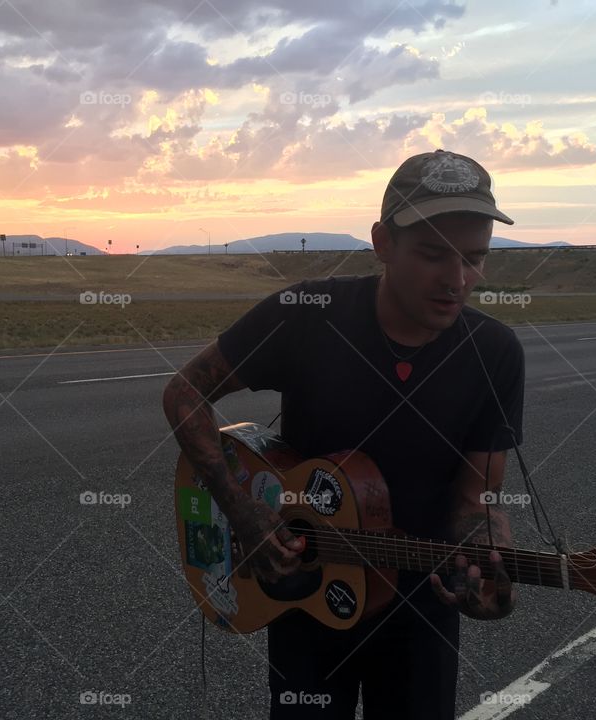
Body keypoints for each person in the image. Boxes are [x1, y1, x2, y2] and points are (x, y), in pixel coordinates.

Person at [162, 149, 526, 719]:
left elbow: (474, 499)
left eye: (474, 259)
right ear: (383, 243)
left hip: (420, 610)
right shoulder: (307, 314)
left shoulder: (495, 353)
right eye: (434, 255)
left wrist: (489, 555)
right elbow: (185, 393)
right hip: (306, 597)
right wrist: (241, 511)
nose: (457, 281)